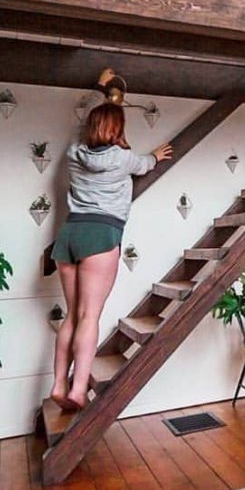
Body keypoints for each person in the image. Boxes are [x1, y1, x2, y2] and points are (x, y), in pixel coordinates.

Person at [49, 103, 172, 412]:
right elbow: (145, 164)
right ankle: (78, 389)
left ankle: (59, 384)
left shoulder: (74, 152)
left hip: (70, 233)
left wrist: (102, 96)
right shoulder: (121, 157)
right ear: (118, 128)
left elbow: (83, 131)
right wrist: (156, 155)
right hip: (101, 233)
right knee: (89, 317)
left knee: (72, 315)